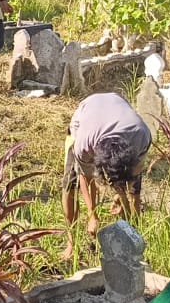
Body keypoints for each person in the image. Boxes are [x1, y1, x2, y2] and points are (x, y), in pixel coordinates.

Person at [61, 93, 152, 260]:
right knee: (70, 184)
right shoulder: (84, 144)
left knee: (134, 200)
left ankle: (132, 240)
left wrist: (122, 198)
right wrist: (92, 215)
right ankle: (71, 243)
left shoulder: (141, 135)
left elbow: (135, 177)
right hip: (87, 112)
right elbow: (85, 179)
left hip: (118, 107)